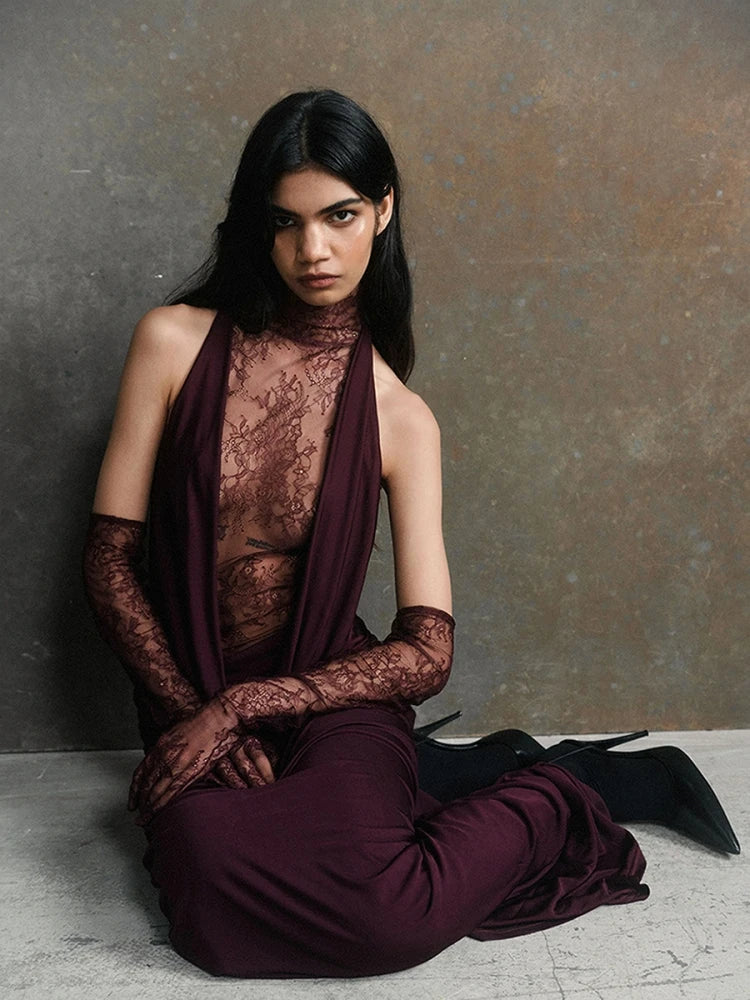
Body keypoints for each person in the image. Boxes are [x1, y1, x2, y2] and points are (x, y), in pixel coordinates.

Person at [83, 89, 739, 979]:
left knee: (380, 915)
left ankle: (555, 793)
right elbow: (110, 561)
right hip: (187, 695)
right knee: (213, 912)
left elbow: (427, 651)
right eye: (285, 222)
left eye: (340, 215)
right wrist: (192, 714)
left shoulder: (400, 416)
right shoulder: (173, 342)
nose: (313, 250)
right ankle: (447, 774)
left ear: (383, 209)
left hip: (328, 696)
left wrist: (246, 706)